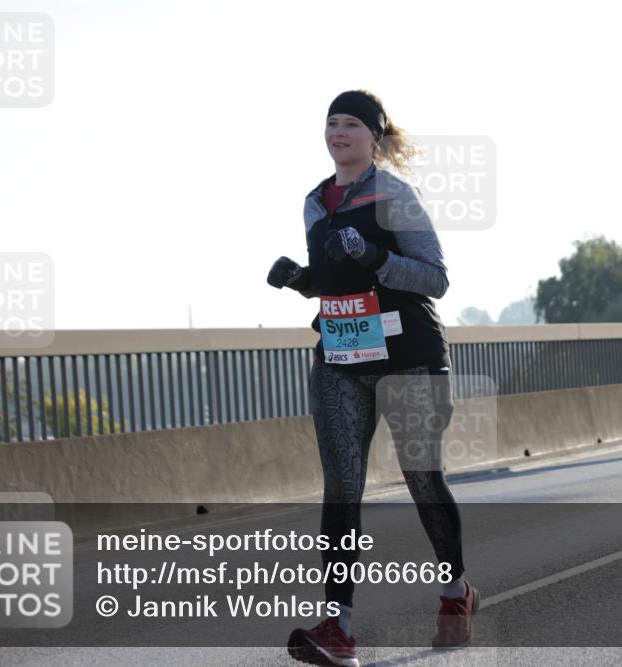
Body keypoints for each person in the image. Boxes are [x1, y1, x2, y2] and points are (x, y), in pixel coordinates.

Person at [267, 90, 476, 667]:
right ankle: (339, 627)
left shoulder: (395, 196)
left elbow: (434, 278)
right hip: (341, 357)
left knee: (421, 478)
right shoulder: (314, 202)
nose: (338, 131)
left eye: (350, 123)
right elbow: (336, 279)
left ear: (374, 137)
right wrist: (301, 280)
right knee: (341, 488)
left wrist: (373, 257)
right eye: (331, 122)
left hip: (409, 353)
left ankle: (456, 595)